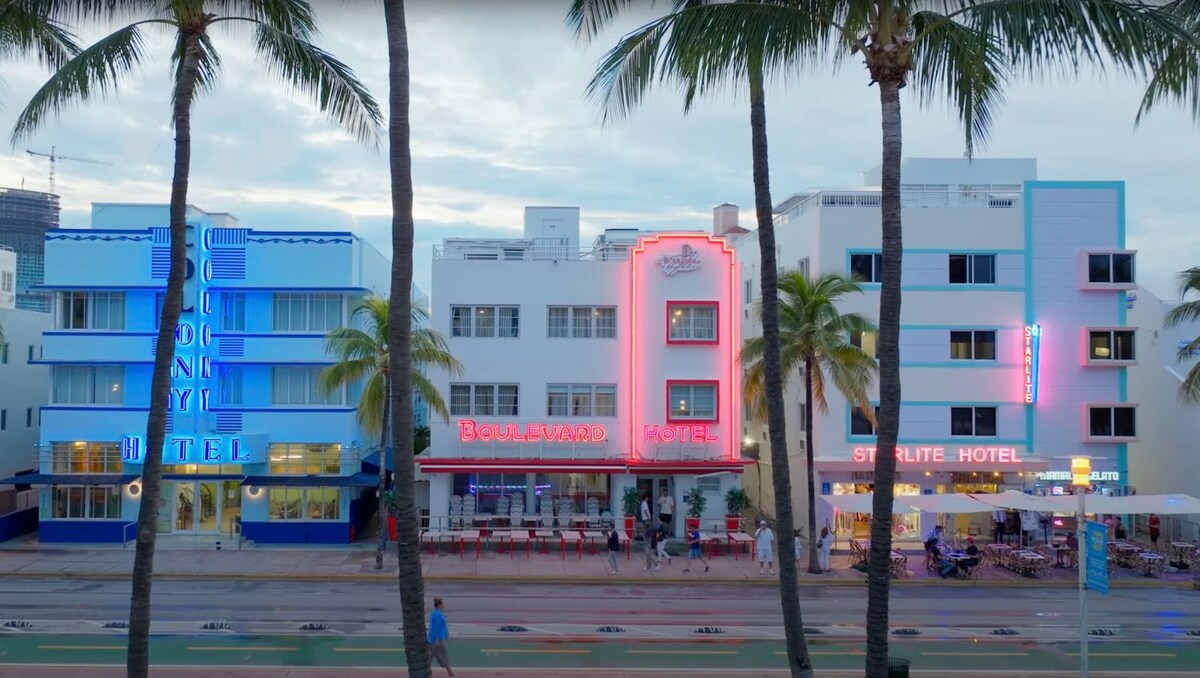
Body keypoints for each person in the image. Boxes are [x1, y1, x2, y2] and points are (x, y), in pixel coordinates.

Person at [428, 597, 454, 677]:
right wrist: (437, 639)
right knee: (443, 655)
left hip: (434, 639)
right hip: (437, 640)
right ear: (439, 604)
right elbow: (436, 627)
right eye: (443, 603)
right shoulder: (437, 615)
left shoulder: (437, 613)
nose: (444, 604)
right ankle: (451, 673)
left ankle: (428, 673)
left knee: (429, 657)